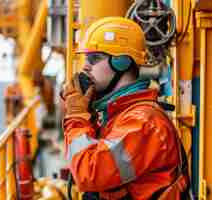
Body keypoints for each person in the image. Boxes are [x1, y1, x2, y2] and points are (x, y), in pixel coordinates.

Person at [62, 17, 190, 199]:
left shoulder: (143, 122)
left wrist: (76, 116)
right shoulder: (120, 115)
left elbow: (89, 174)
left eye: (94, 58)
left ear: (122, 62)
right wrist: (87, 115)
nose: (85, 67)